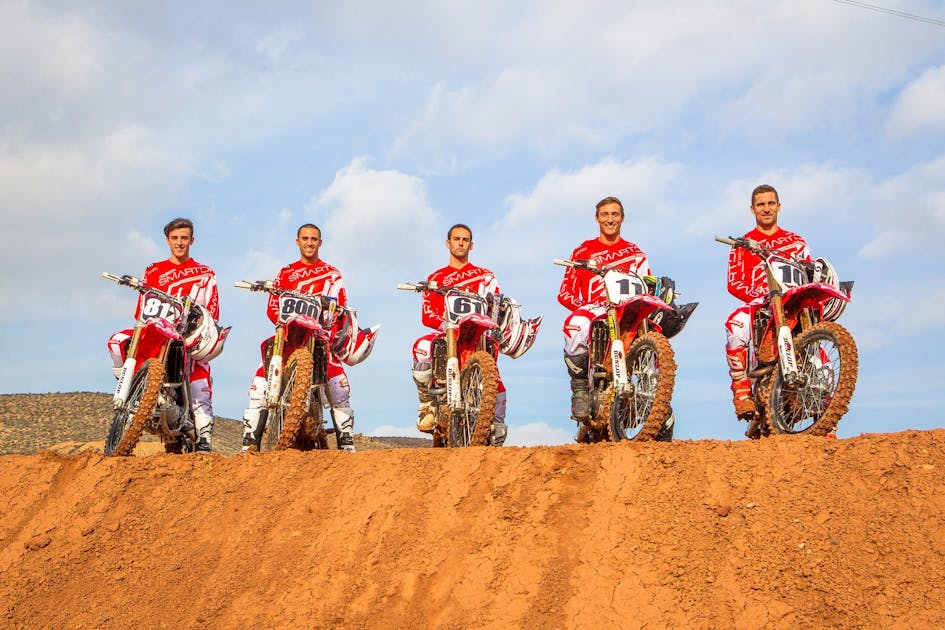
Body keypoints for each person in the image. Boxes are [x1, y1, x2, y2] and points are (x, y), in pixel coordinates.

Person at [241, 223, 366, 452]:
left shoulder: (332, 274)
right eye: (305, 238)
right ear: (297, 241)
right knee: (259, 382)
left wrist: (331, 311)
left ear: (320, 242)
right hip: (288, 338)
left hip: (319, 338)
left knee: (339, 385)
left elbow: (340, 307)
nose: (309, 243)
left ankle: (346, 443)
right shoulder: (285, 273)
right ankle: (250, 443)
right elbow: (273, 307)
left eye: (314, 239)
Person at [107, 217, 221, 452]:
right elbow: (141, 310)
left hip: (185, 336)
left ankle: (204, 437)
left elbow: (212, 310)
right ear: (167, 240)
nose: (179, 242)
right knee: (117, 341)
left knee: (199, 376)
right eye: (175, 238)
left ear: (192, 240)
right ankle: (132, 388)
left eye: (184, 238)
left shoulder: (204, 273)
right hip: (155, 330)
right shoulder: (153, 270)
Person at [557, 196, 650, 427]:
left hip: (627, 309)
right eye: (605, 214)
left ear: (622, 218)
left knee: (656, 328)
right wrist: (585, 307)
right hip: (595, 309)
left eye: (615, 214)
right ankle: (580, 389)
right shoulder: (583, 251)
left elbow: (646, 285)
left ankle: (655, 393)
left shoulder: (635, 253)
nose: (610, 219)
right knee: (575, 325)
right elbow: (565, 293)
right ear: (597, 218)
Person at [412, 223, 508, 445]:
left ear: (471, 245)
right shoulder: (436, 277)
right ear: (448, 243)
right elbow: (427, 314)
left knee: (498, 381)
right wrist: (445, 324)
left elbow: (495, 303)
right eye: (456, 239)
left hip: (477, 336)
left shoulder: (484, 275)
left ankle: (496, 425)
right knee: (421, 347)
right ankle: (426, 403)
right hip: (448, 334)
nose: (461, 243)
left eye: (465, 240)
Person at [725, 184, 810, 420]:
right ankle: (742, 392)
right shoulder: (742, 244)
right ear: (752, 209)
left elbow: (808, 272)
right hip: (759, 303)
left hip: (793, 303)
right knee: (735, 326)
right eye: (761, 204)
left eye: (771, 203)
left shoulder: (796, 242)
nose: (766, 209)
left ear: (779, 206)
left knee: (819, 349)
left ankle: (827, 416)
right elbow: (733, 282)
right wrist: (761, 296)